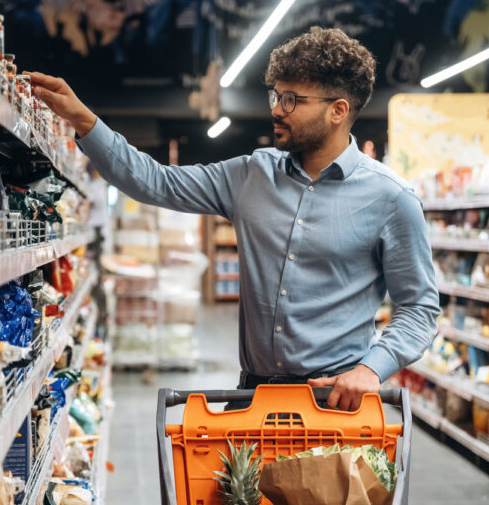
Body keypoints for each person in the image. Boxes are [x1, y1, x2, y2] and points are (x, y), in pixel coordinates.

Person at [28, 26, 440, 412]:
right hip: (250, 397)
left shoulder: (391, 199)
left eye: (292, 99)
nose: (277, 109)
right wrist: (85, 121)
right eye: (275, 96)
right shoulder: (250, 176)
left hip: (333, 403)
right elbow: (155, 181)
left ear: (338, 110)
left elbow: (419, 306)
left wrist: (371, 369)